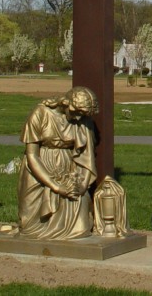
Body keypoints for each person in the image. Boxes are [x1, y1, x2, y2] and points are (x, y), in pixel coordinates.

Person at [17, 86, 98, 240]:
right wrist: (56, 186)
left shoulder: (83, 120)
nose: (78, 118)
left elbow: (87, 158)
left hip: (68, 167)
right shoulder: (41, 113)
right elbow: (32, 155)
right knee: (30, 228)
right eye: (76, 112)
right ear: (66, 103)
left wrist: (81, 186)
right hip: (39, 166)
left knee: (80, 220)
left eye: (82, 114)